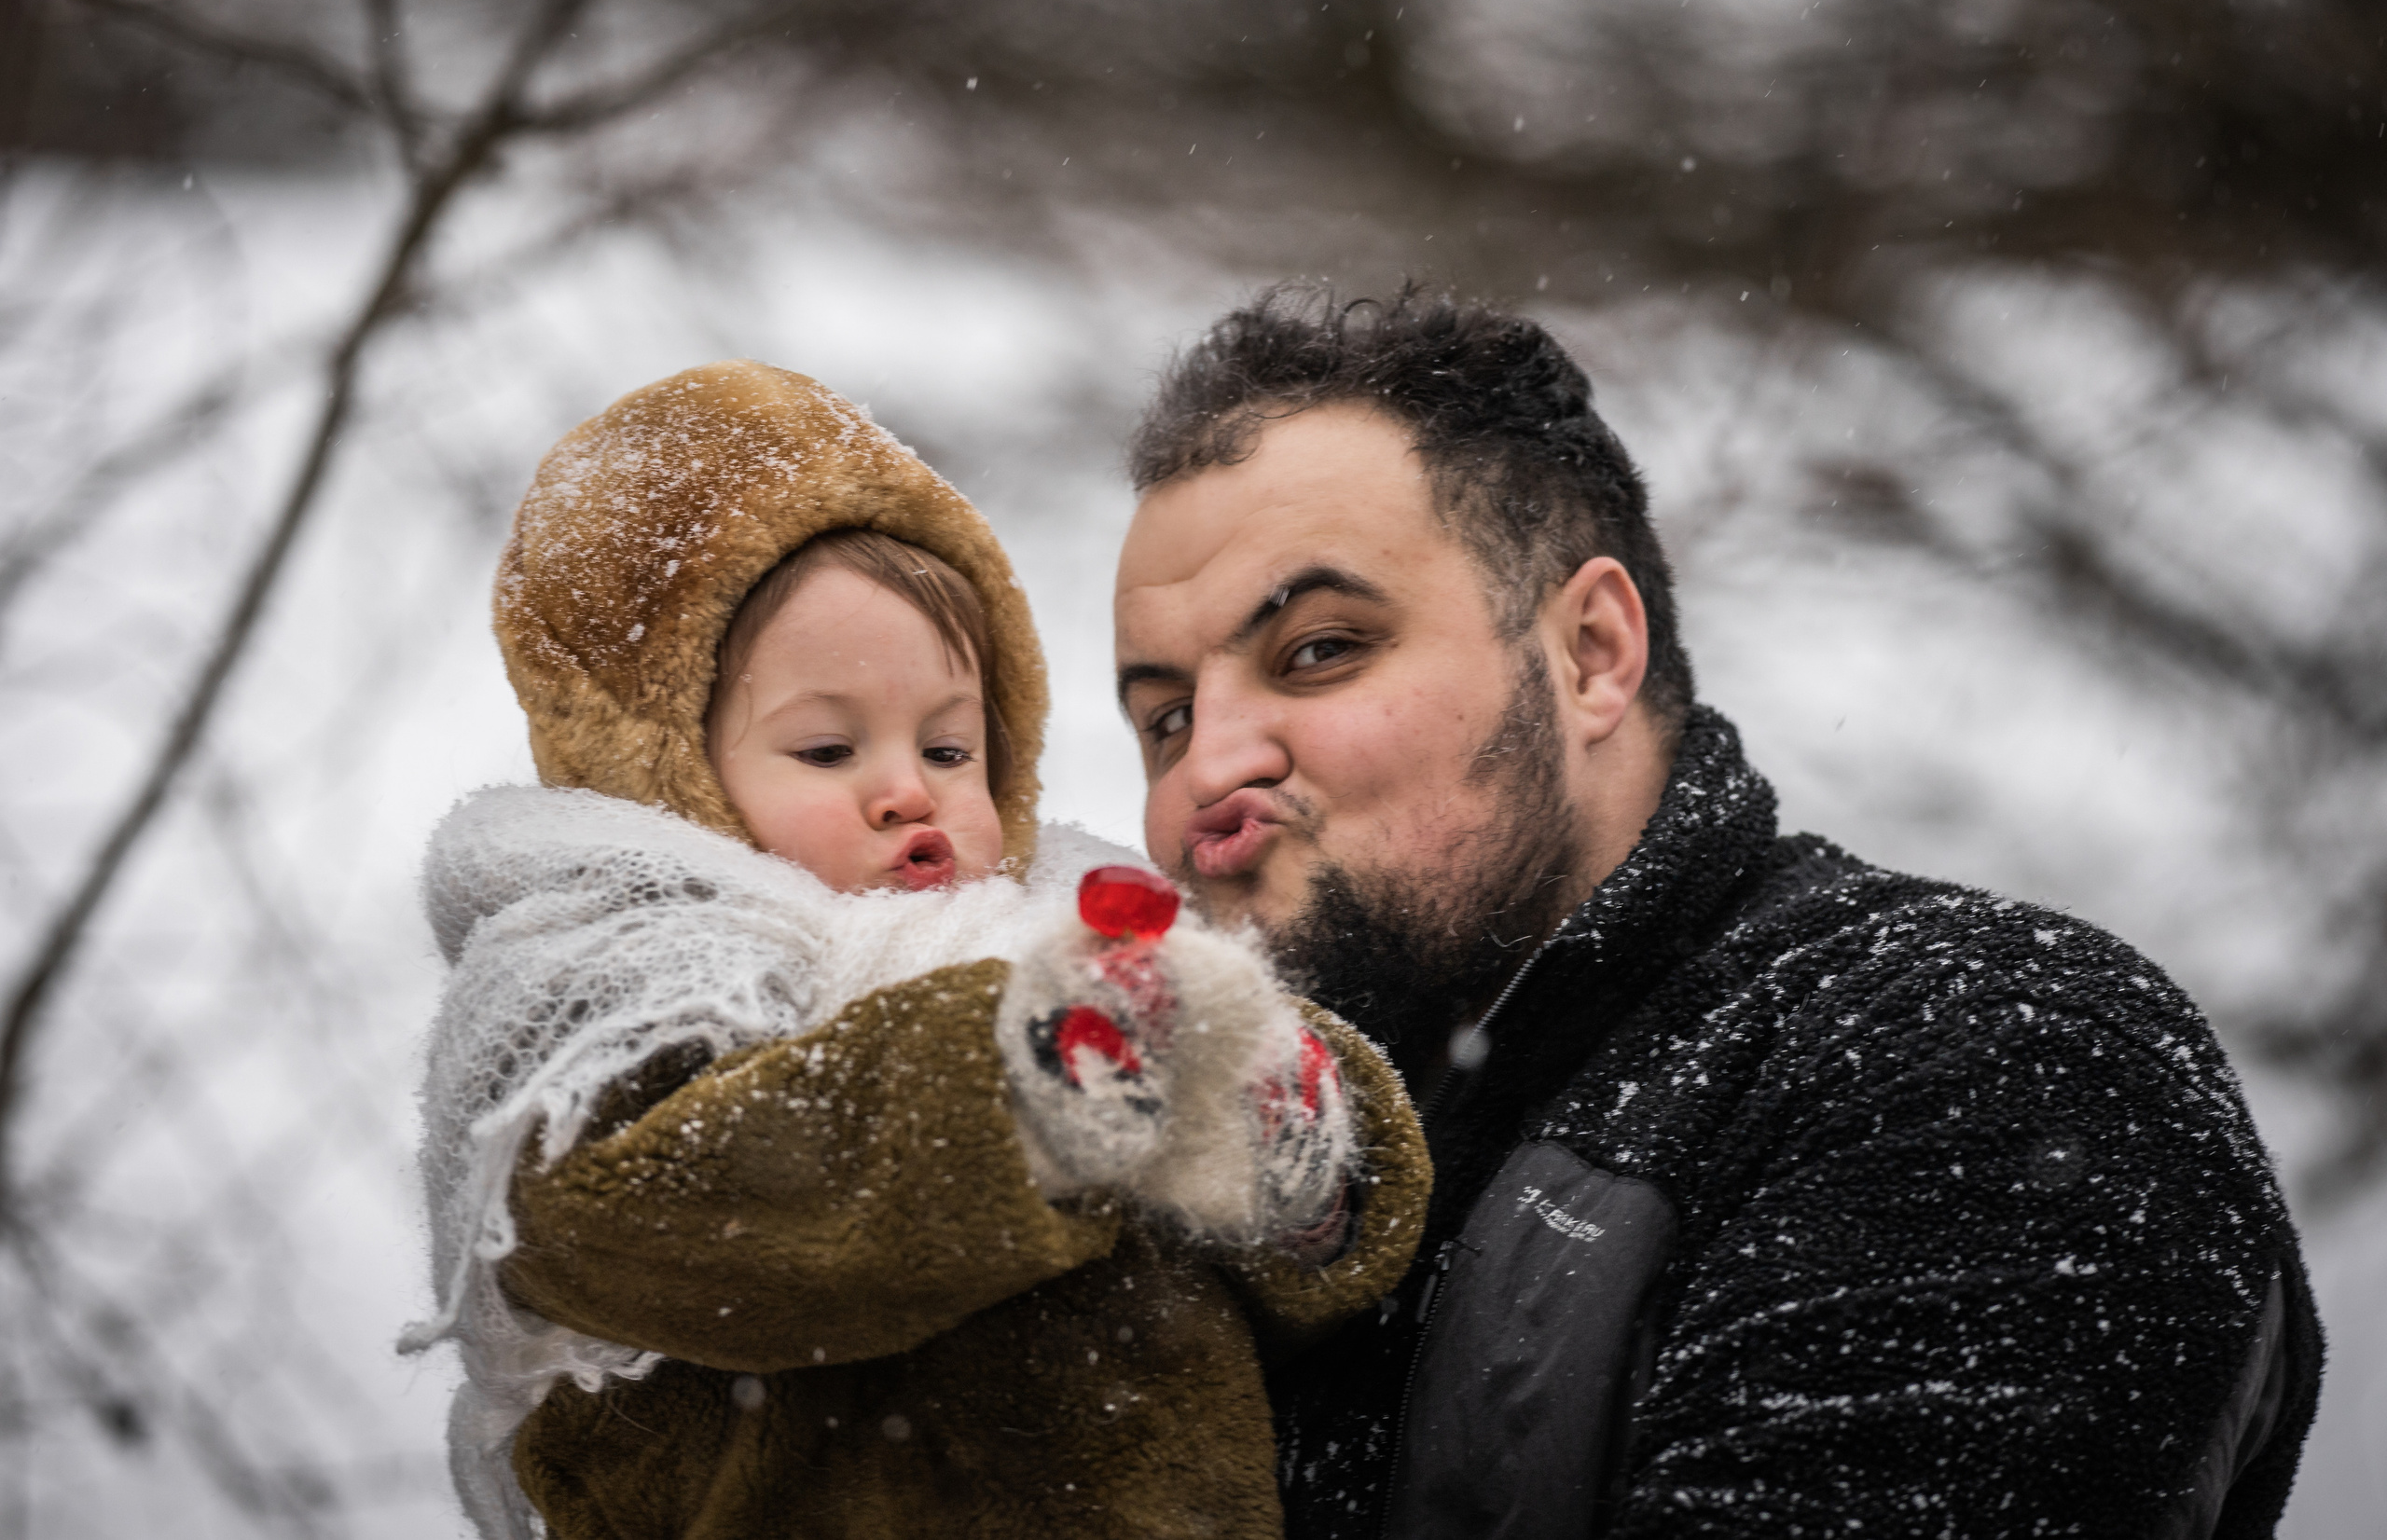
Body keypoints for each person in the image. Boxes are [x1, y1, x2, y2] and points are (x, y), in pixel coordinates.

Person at [1111, 286, 2324, 1539]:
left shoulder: (1984, 1046)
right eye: (1166, 719)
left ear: (1591, 651)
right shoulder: (1218, 1179)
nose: (1207, 769)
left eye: (1319, 648)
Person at [402, 360, 1429, 1540]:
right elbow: (633, 1217)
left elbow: (1271, 1315)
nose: (908, 791)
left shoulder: (1070, 929)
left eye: (948, 749)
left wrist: (1288, 1148)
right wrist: (1012, 1085)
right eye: (827, 751)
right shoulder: (616, 980)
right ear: (669, 777)